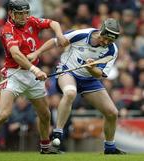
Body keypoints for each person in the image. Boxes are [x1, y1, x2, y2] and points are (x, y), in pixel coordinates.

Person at [0, 0, 68, 154]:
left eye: (26, 12)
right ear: (11, 13)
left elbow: (53, 23)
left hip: (32, 75)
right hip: (14, 74)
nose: (24, 16)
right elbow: (16, 54)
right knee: (4, 114)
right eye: (20, 13)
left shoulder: (32, 21)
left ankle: (45, 147)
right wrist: (35, 70)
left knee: (45, 114)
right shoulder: (7, 30)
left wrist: (59, 34)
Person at [27, 18, 126, 154]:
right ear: (100, 31)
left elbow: (99, 75)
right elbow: (56, 42)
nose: (106, 42)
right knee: (70, 92)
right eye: (105, 38)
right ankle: (58, 133)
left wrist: (91, 68)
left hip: (89, 79)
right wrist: (36, 53)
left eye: (110, 41)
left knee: (112, 113)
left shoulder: (111, 50)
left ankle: (109, 147)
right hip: (68, 71)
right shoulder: (82, 34)